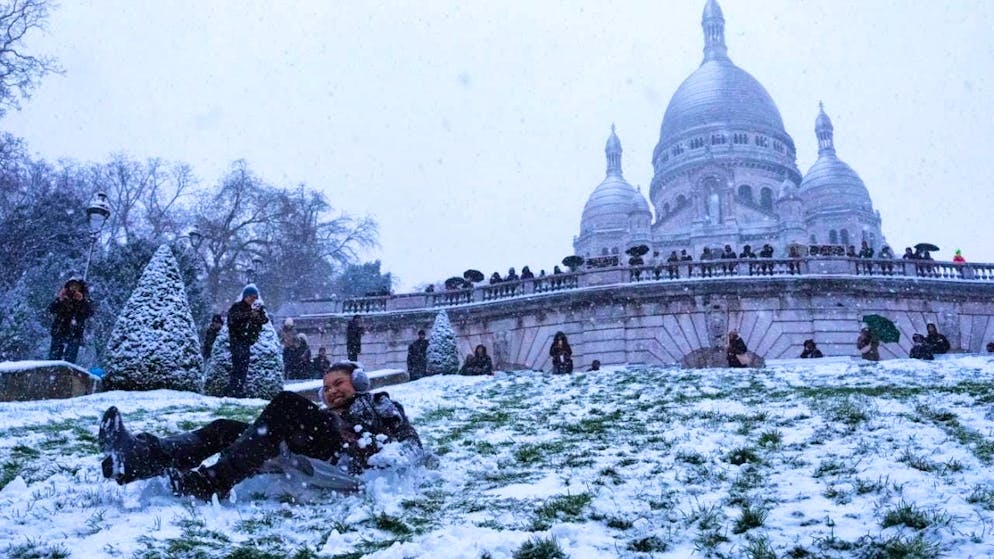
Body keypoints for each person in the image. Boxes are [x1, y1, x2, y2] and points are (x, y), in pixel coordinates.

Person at [99, 361, 423, 501]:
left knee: (285, 402)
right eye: (326, 387)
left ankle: (212, 483)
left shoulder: (376, 402)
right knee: (226, 428)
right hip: (311, 448)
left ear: (359, 381)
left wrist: (383, 456)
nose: (332, 391)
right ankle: (142, 458)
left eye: (339, 383)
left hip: (344, 455)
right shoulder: (323, 414)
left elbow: (409, 441)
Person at [226, 285, 269, 397]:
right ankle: (233, 391)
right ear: (245, 296)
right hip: (237, 341)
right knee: (238, 367)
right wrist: (250, 315)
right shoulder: (236, 307)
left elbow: (264, 320)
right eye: (251, 296)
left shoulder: (255, 308)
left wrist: (258, 313)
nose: (252, 299)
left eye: (255, 297)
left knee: (244, 367)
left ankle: (239, 390)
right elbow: (234, 320)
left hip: (246, 341)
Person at [47, 276, 94, 363]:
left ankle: (66, 373)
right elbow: (51, 309)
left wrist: (81, 301)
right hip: (59, 330)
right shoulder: (62, 298)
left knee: (70, 357)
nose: (73, 289)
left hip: (75, 332)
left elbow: (89, 313)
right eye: (71, 286)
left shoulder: (85, 300)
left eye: (76, 286)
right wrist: (60, 300)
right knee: (54, 357)